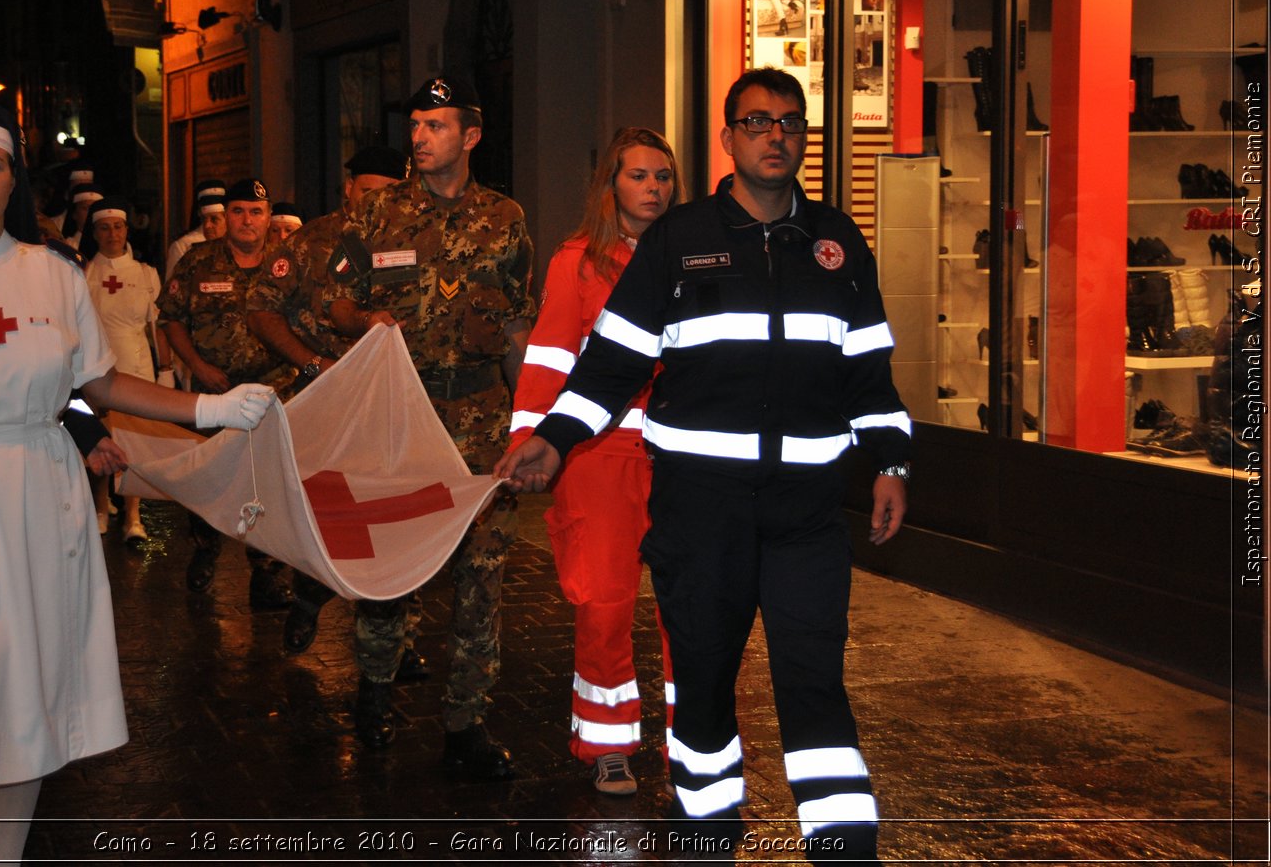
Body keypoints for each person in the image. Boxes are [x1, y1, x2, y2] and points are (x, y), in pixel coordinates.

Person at [0, 102, 274, 866]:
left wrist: (206, 408)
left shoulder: (53, 275)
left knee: (26, 696)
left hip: (41, 496)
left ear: (13, 180)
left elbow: (101, 382)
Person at [496, 68, 910, 862]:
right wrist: (554, 435)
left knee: (815, 685)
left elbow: (869, 369)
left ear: (803, 139)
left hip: (806, 516)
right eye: (756, 122)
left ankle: (846, 851)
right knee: (707, 691)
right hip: (702, 513)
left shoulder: (836, 244)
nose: (775, 136)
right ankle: (707, 840)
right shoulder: (678, 241)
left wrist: (891, 461)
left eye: (789, 123)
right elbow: (613, 362)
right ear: (727, 139)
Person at [326, 73, 534, 779]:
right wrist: (365, 318)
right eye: (415, 124)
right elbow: (336, 304)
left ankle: (464, 721)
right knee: (392, 564)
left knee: (481, 574)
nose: (419, 137)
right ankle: (377, 688)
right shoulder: (378, 212)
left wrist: (530, 420)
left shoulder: (505, 218)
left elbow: (516, 323)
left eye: (436, 125)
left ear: (470, 135)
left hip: (479, 417)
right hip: (401, 418)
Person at [507, 127, 679, 797]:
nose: (653, 188)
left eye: (662, 176)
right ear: (611, 187)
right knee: (604, 604)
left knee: (690, 606)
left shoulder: (693, 257)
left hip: (676, 460)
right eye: (638, 176)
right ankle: (607, 743)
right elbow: (548, 358)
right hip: (598, 455)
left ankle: (696, 737)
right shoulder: (576, 262)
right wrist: (534, 444)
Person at [244, 145, 426, 663]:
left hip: (390, 406)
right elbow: (260, 309)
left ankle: (394, 638)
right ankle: (309, 594)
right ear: (348, 189)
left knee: (394, 517)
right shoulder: (311, 242)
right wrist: (308, 366)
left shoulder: (412, 237)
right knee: (333, 519)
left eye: (389, 193)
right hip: (326, 404)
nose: (377, 203)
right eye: (368, 191)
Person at [159, 177, 298, 609]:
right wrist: (197, 366)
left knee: (269, 483)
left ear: (269, 217)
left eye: (256, 212)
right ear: (226, 216)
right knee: (210, 478)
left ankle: (268, 573)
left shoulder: (288, 264)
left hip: (276, 393)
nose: (247, 220)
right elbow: (171, 318)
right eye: (237, 211)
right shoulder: (198, 261)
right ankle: (205, 548)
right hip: (214, 391)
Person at [80, 196, 171, 545]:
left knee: (133, 443)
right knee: (101, 440)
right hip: (100, 367)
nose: (112, 234)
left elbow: (157, 325)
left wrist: (165, 369)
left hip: (136, 365)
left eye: (118, 227)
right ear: (95, 233)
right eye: (104, 228)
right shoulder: (85, 272)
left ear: (126, 230)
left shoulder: (146, 274)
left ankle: (133, 515)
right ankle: (102, 508)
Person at [165, 178, 226, 281]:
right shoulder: (184, 246)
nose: (207, 226)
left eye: (214, 219)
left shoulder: (237, 245)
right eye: (203, 219)